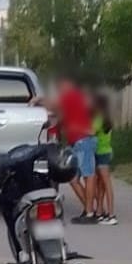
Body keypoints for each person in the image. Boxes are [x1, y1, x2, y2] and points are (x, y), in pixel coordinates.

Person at [32, 76, 99, 224]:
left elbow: (53, 105)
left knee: (88, 176)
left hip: (83, 140)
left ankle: (90, 213)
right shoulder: (73, 98)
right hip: (78, 142)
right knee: (73, 178)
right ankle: (89, 209)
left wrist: (37, 100)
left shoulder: (71, 96)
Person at [92, 95, 118, 225]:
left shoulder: (98, 118)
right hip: (106, 150)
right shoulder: (107, 118)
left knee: (106, 183)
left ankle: (111, 214)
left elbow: (91, 131)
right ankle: (99, 210)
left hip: (100, 152)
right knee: (101, 183)